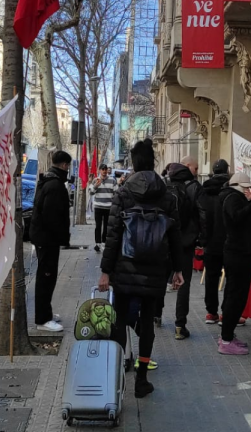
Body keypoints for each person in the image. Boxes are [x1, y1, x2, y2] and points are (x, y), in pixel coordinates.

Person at [99, 139, 185, 398]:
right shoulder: (167, 194)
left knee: (120, 320)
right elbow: (175, 236)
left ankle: (116, 377)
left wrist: (105, 270)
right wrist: (178, 270)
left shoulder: (123, 193)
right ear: (153, 161)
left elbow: (113, 235)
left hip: (124, 267)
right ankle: (142, 379)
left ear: (134, 163)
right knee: (147, 322)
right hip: (155, 268)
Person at [218, 171, 251, 355]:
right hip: (238, 254)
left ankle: (228, 334)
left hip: (244, 254)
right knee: (235, 296)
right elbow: (236, 217)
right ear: (240, 187)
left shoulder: (241, 200)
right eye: (247, 188)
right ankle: (226, 338)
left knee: (237, 296)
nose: (249, 192)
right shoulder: (231, 198)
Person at [29, 150, 72, 332]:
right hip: (47, 239)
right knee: (46, 277)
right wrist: (61, 236)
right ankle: (42, 319)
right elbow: (52, 216)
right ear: (63, 165)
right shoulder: (54, 185)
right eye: (68, 166)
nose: (68, 169)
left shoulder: (47, 180)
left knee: (47, 277)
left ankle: (46, 313)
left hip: (45, 238)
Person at [164, 156, 204, 340]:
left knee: (161, 278)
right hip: (185, 242)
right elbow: (201, 213)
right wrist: (199, 236)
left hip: (164, 241)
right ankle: (180, 326)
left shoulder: (164, 186)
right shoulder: (193, 187)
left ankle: (156, 314)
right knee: (184, 282)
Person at [199, 159, 231, 325]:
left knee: (211, 278)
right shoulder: (231, 190)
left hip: (210, 241)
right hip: (229, 240)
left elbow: (201, 215)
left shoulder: (204, 190)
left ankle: (211, 312)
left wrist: (202, 238)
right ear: (227, 171)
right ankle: (226, 312)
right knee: (231, 278)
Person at [89, 164, 117, 253]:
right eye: (102, 169)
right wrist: (96, 186)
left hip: (108, 207)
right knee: (98, 226)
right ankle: (97, 243)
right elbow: (91, 193)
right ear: (100, 170)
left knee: (106, 226)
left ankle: (104, 242)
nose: (104, 171)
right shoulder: (95, 180)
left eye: (105, 169)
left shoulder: (112, 181)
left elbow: (116, 193)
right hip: (98, 207)